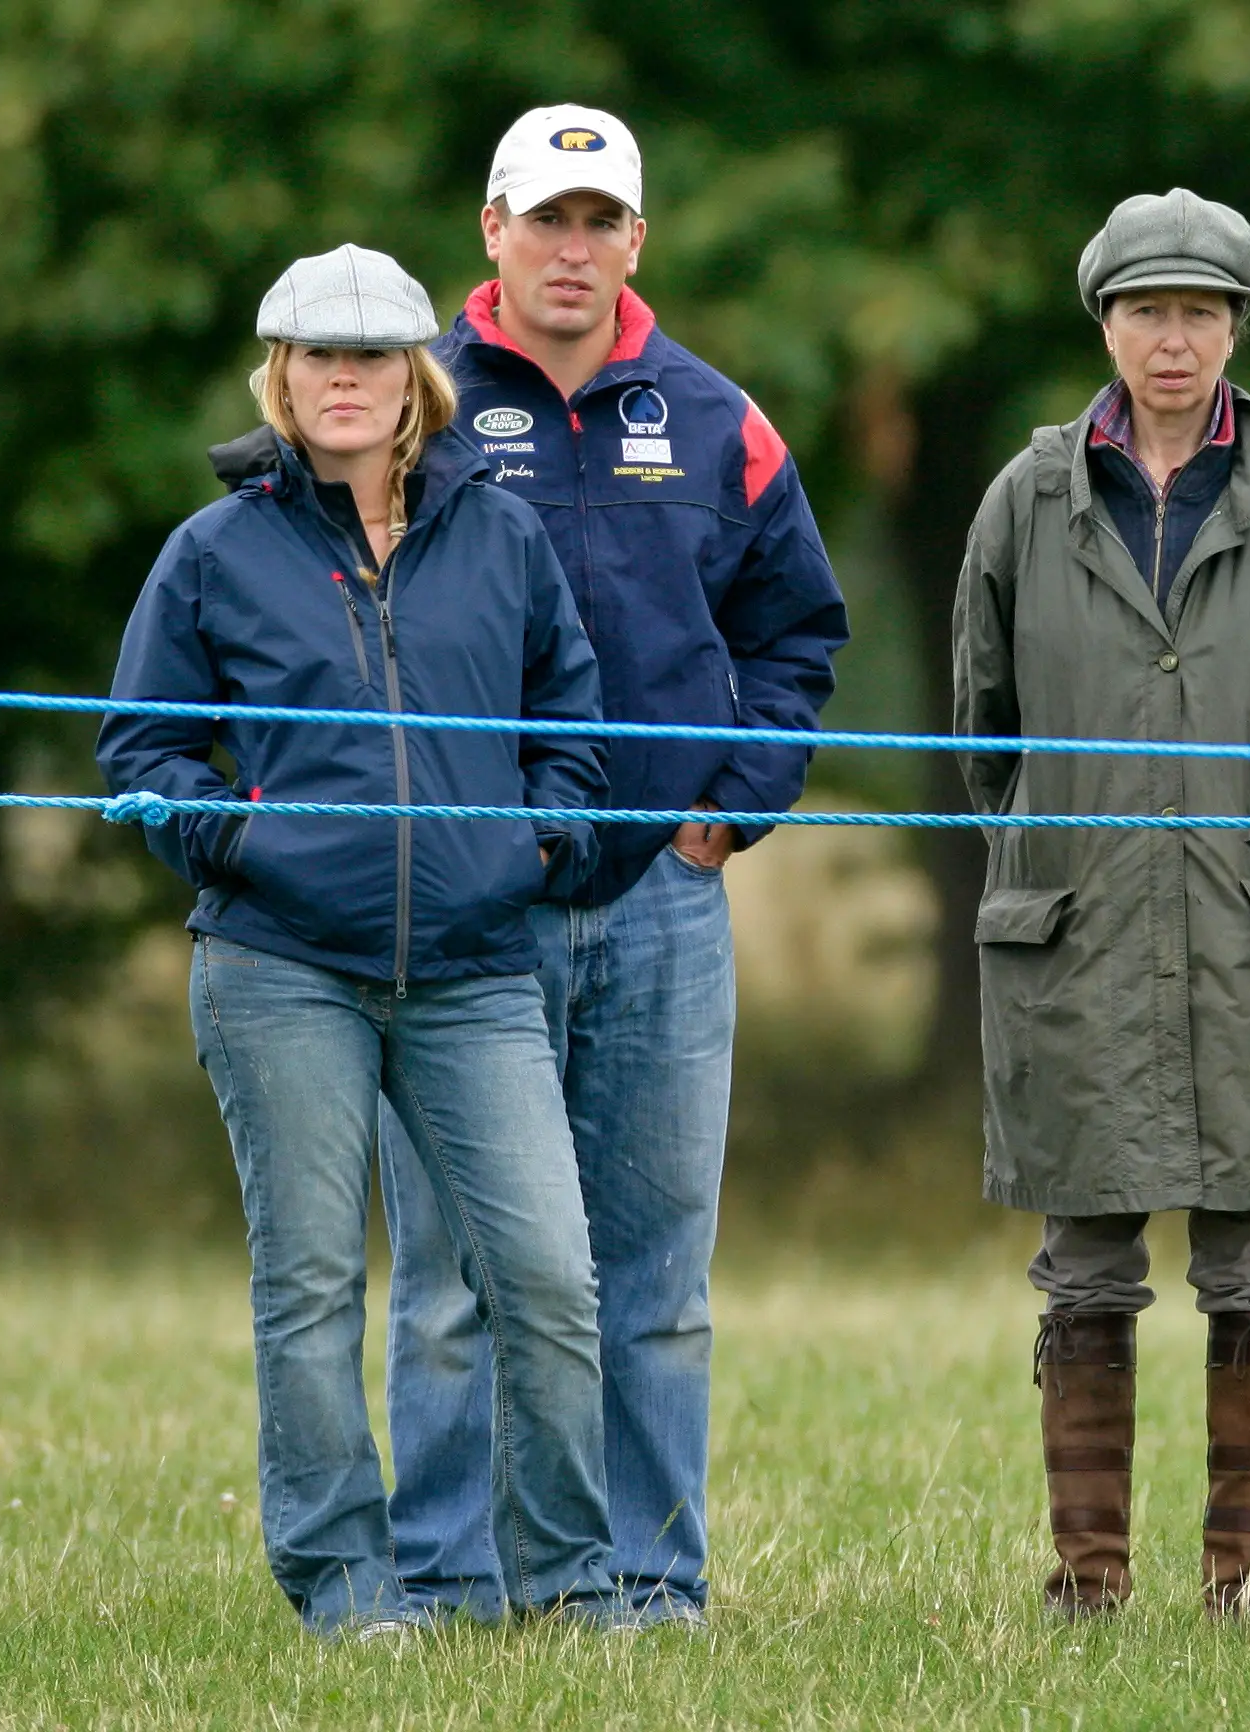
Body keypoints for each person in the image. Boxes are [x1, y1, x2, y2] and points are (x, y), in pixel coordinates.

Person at [98, 246, 625, 1638]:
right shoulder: (213, 552)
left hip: (472, 972)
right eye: (316, 356)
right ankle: (347, 1585)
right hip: (278, 969)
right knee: (313, 1283)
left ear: (415, 381)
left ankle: (566, 1585)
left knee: (552, 1281)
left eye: (371, 356)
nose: (343, 378)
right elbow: (142, 751)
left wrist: (537, 843)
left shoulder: (498, 537)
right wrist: (240, 841)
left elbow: (572, 730)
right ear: (280, 378)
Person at [374, 105, 849, 1626]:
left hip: (660, 897)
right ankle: (447, 1582)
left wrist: (733, 808)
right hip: (460, 908)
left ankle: (643, 1589)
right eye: (545, 220)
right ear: (490, 233)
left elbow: (798, 636)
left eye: (601, 224)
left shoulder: (720, 421)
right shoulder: (408, 412)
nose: (570, 251)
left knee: (652, 1281)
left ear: (635, 243)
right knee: (452, 1277)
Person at [954, 188, 1250, 1626]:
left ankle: (1243, 1582)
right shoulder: (1024, 501)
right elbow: (984, 734)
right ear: (1104, 321)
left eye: (1199, 312)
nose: (1173, 338)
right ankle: (1086, 1582)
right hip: (1079, 932)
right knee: (1080, 1257)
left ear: (1236, 327)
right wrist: (1074, 856)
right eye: (1146, 309)